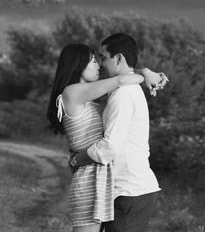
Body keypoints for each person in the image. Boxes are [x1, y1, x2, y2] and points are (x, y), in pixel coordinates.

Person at [47, 43, 167, 232]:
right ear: (78, 64)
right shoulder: (71, 92)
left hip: (103, 178)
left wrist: (142, 73)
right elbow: (120, 80)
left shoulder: (87, 95)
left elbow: (121, 78)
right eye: (93, 61)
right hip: (89, 178)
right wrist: (145, 72)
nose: (99, 65)